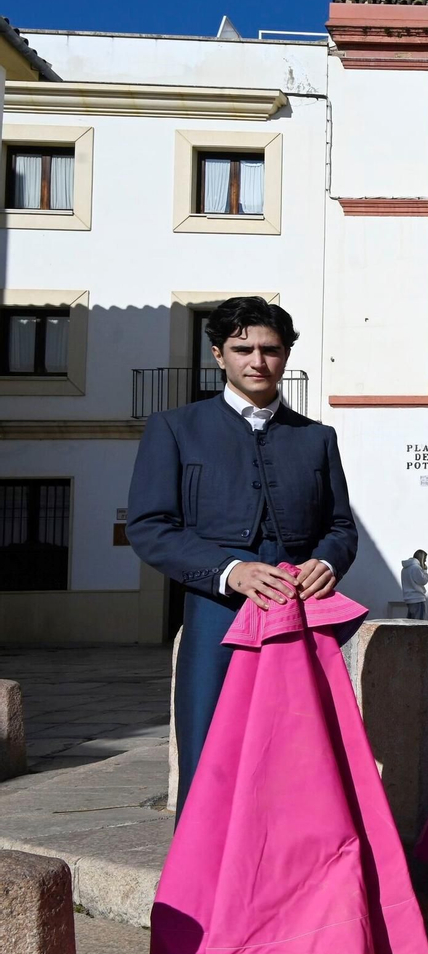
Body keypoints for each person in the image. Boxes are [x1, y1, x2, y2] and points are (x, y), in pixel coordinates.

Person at [127, 296, 355, 819]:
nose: (257, 360)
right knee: (210, 746)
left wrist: (327, 562)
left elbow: (341, 527)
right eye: (243, 348)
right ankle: (206, 892)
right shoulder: (175, 428)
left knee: (300, 751)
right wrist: (231, 571)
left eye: (270, 350)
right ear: (218, 354)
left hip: (298, 615)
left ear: (286, 354)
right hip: (215, 615)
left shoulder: (317, 438)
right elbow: (150, 527)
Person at [401, 549, 428, 619]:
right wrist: (425, 571)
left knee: (411, 623)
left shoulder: (405, 568)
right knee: (418, 623)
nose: (425, 561)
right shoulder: (416, 568)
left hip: (408, 598)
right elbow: (423, 581)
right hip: (418, 598)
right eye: (425, 559)